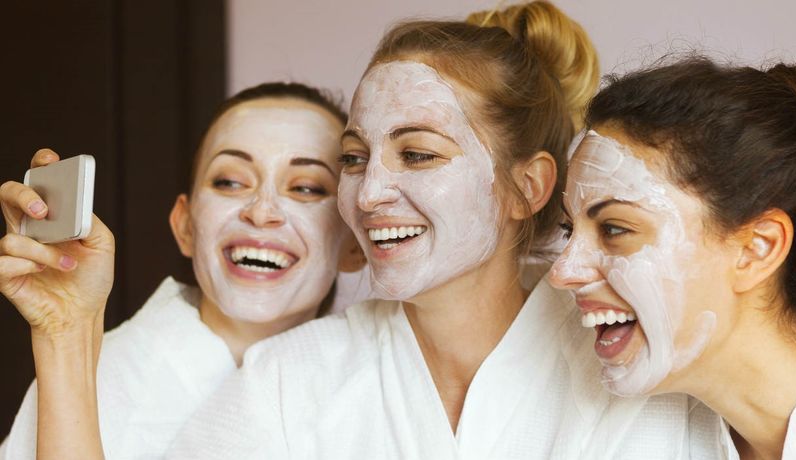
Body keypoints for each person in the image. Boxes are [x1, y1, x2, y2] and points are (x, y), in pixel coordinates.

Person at [168, 3, 732, 459]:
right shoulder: (289, 382)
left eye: (416, 154)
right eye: (355, 158)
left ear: (527, 187)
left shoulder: (634, 364)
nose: (367, 196)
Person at [550, 57, 796, 459]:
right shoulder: (648, 433)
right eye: (568, 231)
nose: (563, 271)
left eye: (614, 229)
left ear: (756, 248)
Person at [0, 82, 363, 459]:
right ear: (185, 225)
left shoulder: (371, 383)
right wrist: (64, 335)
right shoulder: (97, 373)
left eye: (306, 188)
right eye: (231, 181)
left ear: (355, 244)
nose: (261, 210)